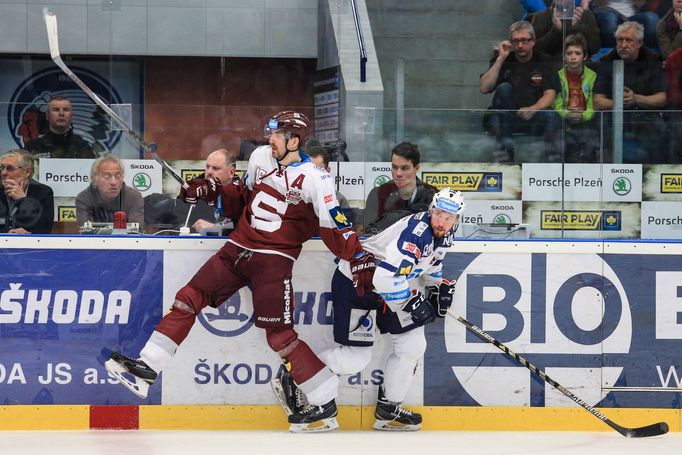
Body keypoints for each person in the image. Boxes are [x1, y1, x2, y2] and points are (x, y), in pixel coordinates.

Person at [103, 111, 376, 432]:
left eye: (277, 135)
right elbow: (242, 201)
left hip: (273, 261)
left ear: (294, 140)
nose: (269, 139)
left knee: (281, 338)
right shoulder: (261, 157)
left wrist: (356, 255)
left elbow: (336, 225)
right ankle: (147, 369)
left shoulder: (316, 178)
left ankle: (324, 401)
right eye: (271, 134)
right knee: (188, 298)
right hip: (237, 249)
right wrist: (211, 190)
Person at [272, 188, 464, 432]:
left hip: (389, 289)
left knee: (413, 345)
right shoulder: (417, 233)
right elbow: (384, 278)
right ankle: (295, 375)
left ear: (457, 220)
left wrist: (439, 286)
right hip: (358, 284)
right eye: (438, 213)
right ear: (431, 210)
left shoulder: (444, 236)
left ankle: (389, 408)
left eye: (449, 217)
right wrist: (409, 302)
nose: (442, 221)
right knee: (355, 358)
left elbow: (429, 265)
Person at [480, 21, 560, 162]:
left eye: (524, 40)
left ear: (533, 41)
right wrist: (500, 59)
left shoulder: (544, 60)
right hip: (506, 114)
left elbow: (550, 94)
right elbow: (484, 87)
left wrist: (534, 108)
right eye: (516, 41)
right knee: (504, 89)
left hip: (533, 114)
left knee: (553, 117)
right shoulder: (504, 59)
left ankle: (552, 163)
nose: (520, 45)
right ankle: (506, 159)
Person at [594, 21, 668, 162]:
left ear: (639, 43)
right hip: (615, 114)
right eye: (620, 40)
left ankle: (653, 172)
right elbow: (597, 101)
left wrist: (636, 99)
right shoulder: (607, 60)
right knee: (601, 127)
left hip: (646, 115)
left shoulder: (653, 60)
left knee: (661, 130)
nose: (623, 45)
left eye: (628, 40)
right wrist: (619, 103)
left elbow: (662, 98)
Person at [363, 142, 437, 235]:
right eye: (394, 167)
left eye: (404, 168)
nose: (398, 173)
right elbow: (367, 232)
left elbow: (438, 234)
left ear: (416, 168)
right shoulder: (378, 194)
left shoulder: (433, 196)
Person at [552, 33, 600, 161]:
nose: (573, 57)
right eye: (569, 53)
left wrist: (583, 115)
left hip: (587, 122)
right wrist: (566, 114)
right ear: (564, 56)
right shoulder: (558, 75)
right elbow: (556, 103)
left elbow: (592, 104)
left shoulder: (593, 76)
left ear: (585, 56)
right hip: (564, 121)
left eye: (577, 53)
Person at [75, 154, 144, 226]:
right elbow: (85, 232)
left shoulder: (133, 197)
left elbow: (137, 231)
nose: (113, 182)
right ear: (94, 179)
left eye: (118, 176)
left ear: (122, 177)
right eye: (107, 176)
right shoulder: (84, 198)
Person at [24, 96, 101, 159]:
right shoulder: (33, 147)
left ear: (71, 115)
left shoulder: (83, 147)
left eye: (66, 110)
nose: (61, 113)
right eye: (56, 110)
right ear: (47, 115)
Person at [0, 149, 54, 234]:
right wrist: (7, 232)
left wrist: (23, 201)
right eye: (2, 168)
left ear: (27, 172)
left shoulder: (43, 192)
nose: (3, 173)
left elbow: (44, 229)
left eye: (10, 168)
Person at [189, 148, 239, 234]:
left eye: (215, 168)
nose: (209, 172)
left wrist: (217, 227)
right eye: (207, 167)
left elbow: (245, 226)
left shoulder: (243, 194)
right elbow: (182, 223)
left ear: (231, 172)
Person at [532, 1, 601, 58]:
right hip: (551, 65)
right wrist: (555, 31)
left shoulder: (586, 15)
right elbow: (536, 49)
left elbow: (595, 48)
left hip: (581, 65)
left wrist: (577, 28)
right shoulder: (540, 17)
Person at [592, 0, 660, 49]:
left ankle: (649, 58)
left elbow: (640, 4)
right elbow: (598, 3)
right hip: (607, 11)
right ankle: (609, 56)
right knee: (610, 21)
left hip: (632, 15)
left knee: (652, 18)